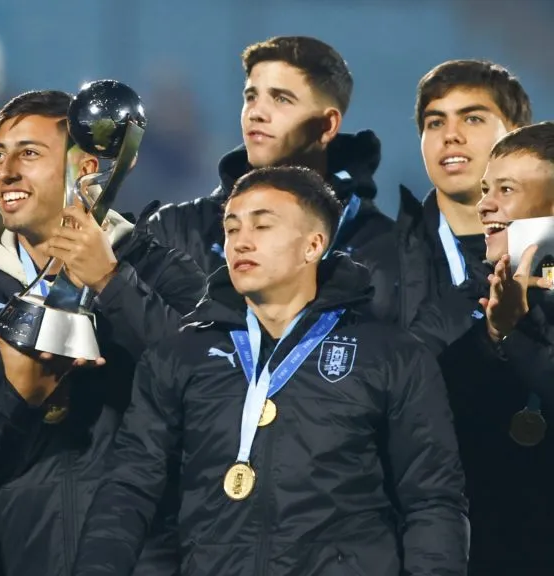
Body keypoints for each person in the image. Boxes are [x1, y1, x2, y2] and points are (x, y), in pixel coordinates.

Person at [73, 166, 468, 576]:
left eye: (262, 226)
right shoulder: (180, 354)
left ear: (313, 245)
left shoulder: (391, 356)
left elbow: (432, 500)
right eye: (231, 228)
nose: (241, 241)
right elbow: (128, 489)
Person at [0, 90, 206, 576]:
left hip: (149, 560)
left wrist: (110, 282)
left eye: (30, 153)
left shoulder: (161, 271)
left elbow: (209, 384)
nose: (7, 171)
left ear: (85, 170)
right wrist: (20, 400)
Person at [145, 36, 402, 324]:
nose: (257, 113)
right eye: (251, 97)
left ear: (327, 125)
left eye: (281, 99)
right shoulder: (178, 232)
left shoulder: (387, 250)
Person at [431, 121, 554, 574]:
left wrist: (512, 335)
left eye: (506, 189)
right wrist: (493, 335)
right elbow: (437, 418)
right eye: (486, 188)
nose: (485, 205)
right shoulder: (466, 298)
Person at [396, 59, 532, 325]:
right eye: (435, 122)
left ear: (518, 136)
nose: (451, 135)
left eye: (472, 118)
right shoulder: (377, 262)